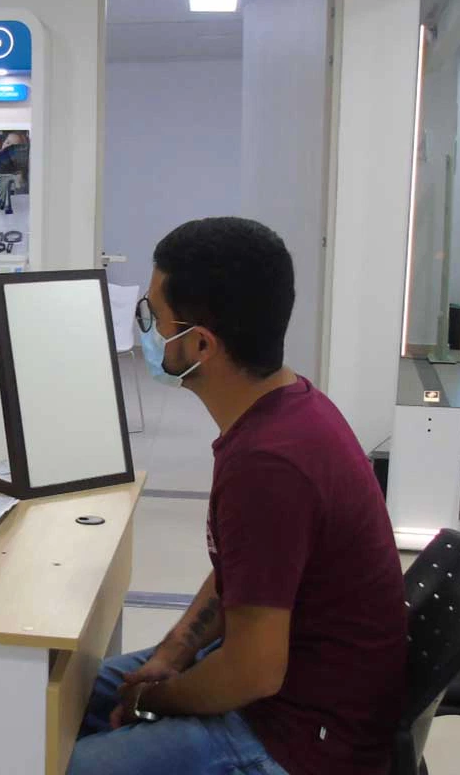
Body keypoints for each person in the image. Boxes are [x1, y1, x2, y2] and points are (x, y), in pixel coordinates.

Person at [67, 218, 407, 775]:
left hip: (297, 739)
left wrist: (152, 702)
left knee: (69, 761)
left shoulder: (268, 465)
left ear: (201, 344)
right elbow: (242, 575)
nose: (146, 328)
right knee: (56, 695)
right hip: (283, 690)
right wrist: (174, 651)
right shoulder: (290, 407)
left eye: (153, 316)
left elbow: (252, 672)